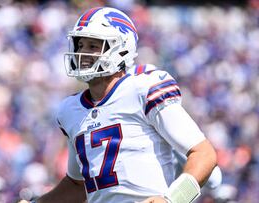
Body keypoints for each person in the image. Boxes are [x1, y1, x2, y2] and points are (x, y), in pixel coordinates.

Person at [24, 7, 217, 203]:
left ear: (121, 48)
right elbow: (78, 184)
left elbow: (204, 153)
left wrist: (172, 199)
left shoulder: (144, 89)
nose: (82, 52)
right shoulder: (70, 110)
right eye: (80, 45)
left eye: (93, 46)